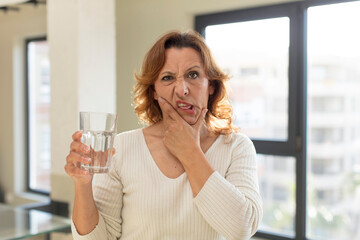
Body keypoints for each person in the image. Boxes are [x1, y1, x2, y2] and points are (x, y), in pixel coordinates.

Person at [65, 30, 262, 240]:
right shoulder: (122, 147)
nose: (182, 90)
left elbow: (242, 228)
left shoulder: (236, 147)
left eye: (193, 75)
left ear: (211, 85)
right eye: (168, 78)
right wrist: (83, 185)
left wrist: (190, 152)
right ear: (154, 92)